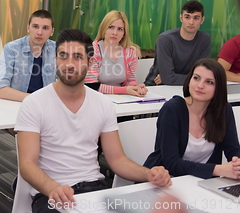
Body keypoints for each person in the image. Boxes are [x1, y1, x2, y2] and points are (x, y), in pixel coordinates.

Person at [15, 29, 171, 213]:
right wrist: (52, 188)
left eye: (78, 57)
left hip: (94, 188)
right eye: (63, 56)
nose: (69, 64)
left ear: (90, 62)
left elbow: (117, 159)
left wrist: (148, 174)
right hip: (51, 193)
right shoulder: (34, 103)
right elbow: (27, 164)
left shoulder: (103, 104)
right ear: (55, 59)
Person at [144, 58, 240, 179]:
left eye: (209, 82)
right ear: (189, 80)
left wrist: (239, 163)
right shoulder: (172, 109)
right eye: (196, 78)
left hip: (203, 183)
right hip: (166, 181)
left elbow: (233, 149)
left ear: (218, 88)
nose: (200, 85)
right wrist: (217, 170)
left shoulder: (223, 110)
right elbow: (171, 163)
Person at [0, 9, 56, 102]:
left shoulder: (58, 49)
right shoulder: (12, 49)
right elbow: (0, 89)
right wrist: (36, 99)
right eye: (35, 26)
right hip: (17, 103)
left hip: (47, 106)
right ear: (28, 28)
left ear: (52, 32)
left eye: (45, 28)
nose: (39, 32)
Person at [145, 0, 211, 86]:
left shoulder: (205, 39)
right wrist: (196, 79)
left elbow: (203, 74)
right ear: (181, 18)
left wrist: (170, 78)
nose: (191, 22)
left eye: (196, 18)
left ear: (202, 20)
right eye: (187, 17)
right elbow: (169, 78)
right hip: (157, 88)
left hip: (187, 88)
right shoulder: (165, 39)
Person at [84, 10, 147, 96]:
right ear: (103, 28)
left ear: (124, 33)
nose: (115, 33)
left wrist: (136, 87)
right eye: (111, 27)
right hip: (96, 98)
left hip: (121, 99)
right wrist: (125, 90)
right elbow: (92, 86)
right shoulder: (93, 50)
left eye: (120, 29)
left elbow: (130, 81)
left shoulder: (131, 52)